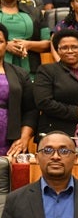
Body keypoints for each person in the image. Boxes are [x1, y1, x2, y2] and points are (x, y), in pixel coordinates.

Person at [0, 0, 50, 71]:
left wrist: (28, 45)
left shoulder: (35, 12)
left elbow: (48, 43)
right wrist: (5, 45)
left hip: (31, 70)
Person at [0, 24, 35, 157]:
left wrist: (24, 138)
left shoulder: (20, 74)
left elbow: (31, 110)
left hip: (9, 140)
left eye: (0, 41)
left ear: (6, 45)